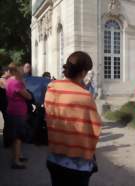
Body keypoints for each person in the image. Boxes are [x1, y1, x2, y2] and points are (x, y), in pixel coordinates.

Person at [44, 51, 102, 186]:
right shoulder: (85, 96)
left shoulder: (51, 88)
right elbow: (95, 128)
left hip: (54, 157)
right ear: (82, 73)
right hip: (77, 164)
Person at [5, 65, 32, 169]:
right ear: (16, 72)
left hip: (12, 110)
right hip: (18, 112)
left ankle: (18, 156)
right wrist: (23, 85)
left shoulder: (8, 81)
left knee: (15, 136)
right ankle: (16, 161)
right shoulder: (16, 82)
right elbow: (28, 96)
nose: (23, 73)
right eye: (21, 72)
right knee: (18, 137)